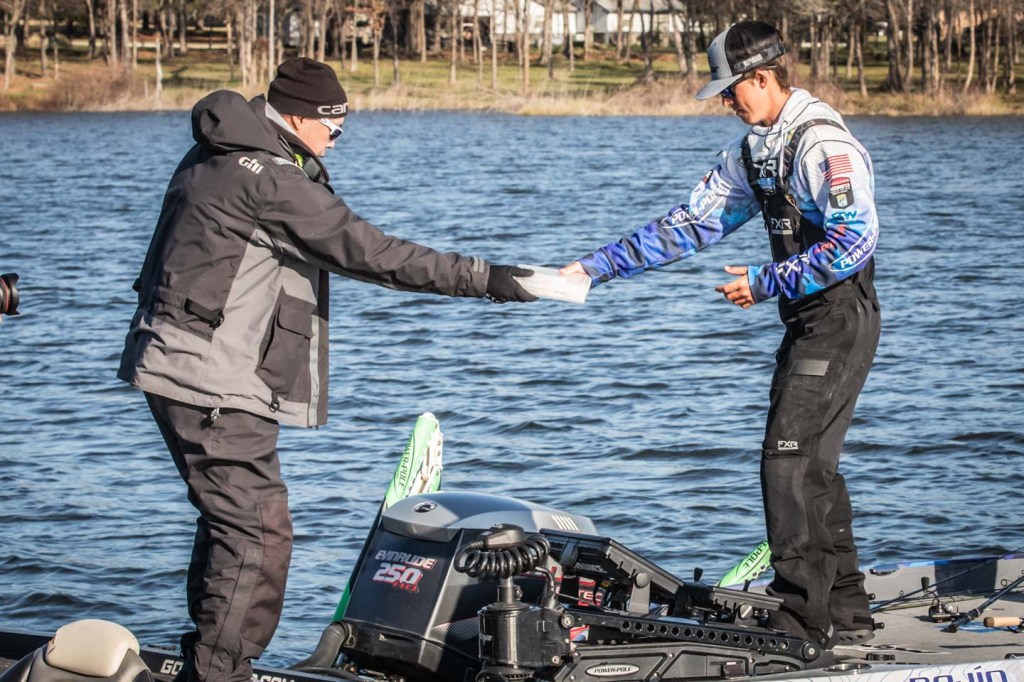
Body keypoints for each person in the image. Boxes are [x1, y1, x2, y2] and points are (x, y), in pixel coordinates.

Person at [118, 57, 535, 682]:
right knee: (257, 534)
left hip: (174, 362)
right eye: (332, 127)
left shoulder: (216, 152)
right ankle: (220, 672)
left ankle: (208, 661)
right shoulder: (270, 178)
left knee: (229, 522)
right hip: (213, 381)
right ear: (295, 118)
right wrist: (489, 278)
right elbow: (375, 254)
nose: (338, 138)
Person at [562, 21, 880, 650]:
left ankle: (800, 623)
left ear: (762, 77)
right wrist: (596, 267)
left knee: (787, 464)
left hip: (841, 317)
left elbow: (855, 241)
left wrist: (765, 282)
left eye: (731, 91)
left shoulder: (821, 145)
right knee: (812, 467)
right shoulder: (756, 151)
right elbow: (689, 225)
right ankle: (846, 613)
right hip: (808, 321)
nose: (726, 103)